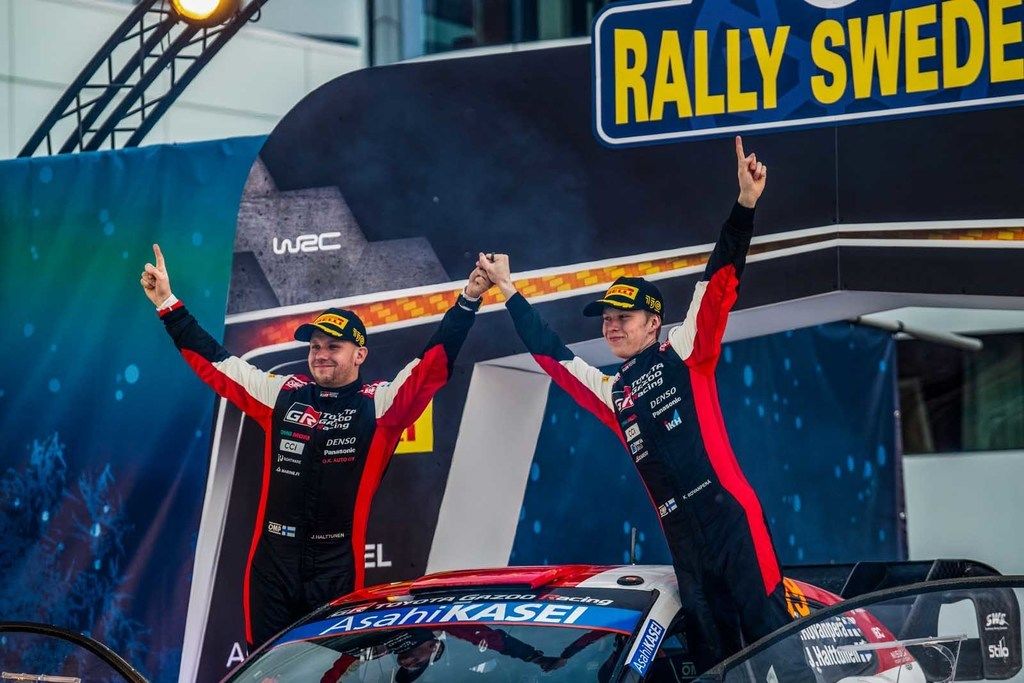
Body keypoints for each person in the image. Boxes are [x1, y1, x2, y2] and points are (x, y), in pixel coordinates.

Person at [476, 137, 793, 672]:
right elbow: (554, 357)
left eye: (623, 317)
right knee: (713, 663)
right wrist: (508, 290)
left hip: (731, 522)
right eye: (606, 319)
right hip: (683, 541)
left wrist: (744, 204)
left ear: (653, 323)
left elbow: (720, 281)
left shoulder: (686, 351)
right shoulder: (612, 391)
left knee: (775, 646)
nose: (612, 326)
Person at [140, 244, 492, 649]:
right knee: (266, 668)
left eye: (333, 347)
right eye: (315, 347)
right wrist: (167, 303)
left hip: (335, 567)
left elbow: (431, 364)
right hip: (272, 564)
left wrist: (468, 300)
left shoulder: (380, 405)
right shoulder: (282, 394)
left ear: (360, 354)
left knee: (333, 667)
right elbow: (217, 364)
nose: (321, 355)